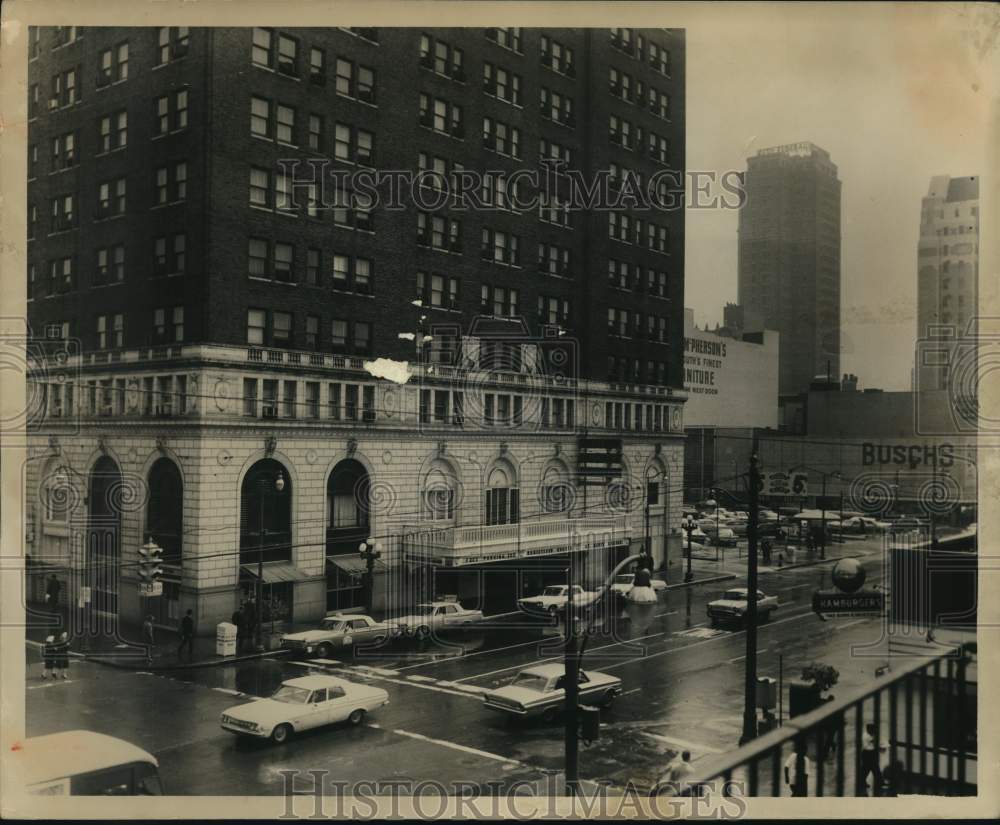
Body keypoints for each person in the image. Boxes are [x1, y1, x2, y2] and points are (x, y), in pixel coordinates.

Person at [860, 723, 882, 794]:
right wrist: (872, 741)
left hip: (871, 753)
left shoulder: (871, 735)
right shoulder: (865, 736)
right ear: (868, 730)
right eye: (872, 730)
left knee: (873, 768)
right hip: (867, 753)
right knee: (869, 768)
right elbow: (866, 746)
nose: (874, 732)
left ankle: (880, 781)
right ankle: (879, 782)